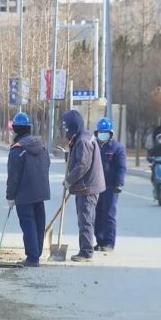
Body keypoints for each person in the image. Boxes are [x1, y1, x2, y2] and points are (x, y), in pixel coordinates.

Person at [5, 112, 51, 267]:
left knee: (28, 223)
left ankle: (32, 258)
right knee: (39, 222)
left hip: (24, 194)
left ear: (16, 130)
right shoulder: (42, 146)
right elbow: (47, 165)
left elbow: (13, 176)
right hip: (41, 192)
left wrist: (10, 197)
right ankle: (36, 253)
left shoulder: (17, 150)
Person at [61, 110, 106, 262]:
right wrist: (68, 155)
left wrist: (69, 180)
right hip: (87, 185)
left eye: (66, 126)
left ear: (72, 126)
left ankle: (86, 252)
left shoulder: (83, 141)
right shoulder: (82, 137)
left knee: (85, 218)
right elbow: (80, 158)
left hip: (87, 187)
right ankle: (86, 248)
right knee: (85, 218)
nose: (65, 129)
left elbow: (82, 165)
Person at [93, 118, 126, 252]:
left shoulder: (117, 148)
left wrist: (119, 183)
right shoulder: (93, 146)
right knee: (97, 213)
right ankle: (100, 241)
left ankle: (109, 242)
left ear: (110, 133)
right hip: (95, 185)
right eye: (100, 132)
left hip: (111, 186)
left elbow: (121, 167)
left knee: (109, 214)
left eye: (105, 132)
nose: (103, 134)